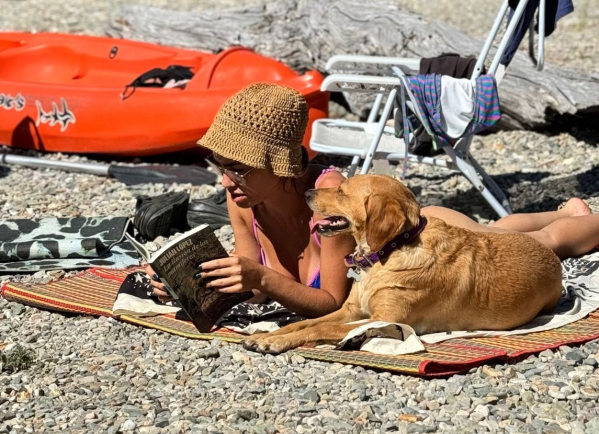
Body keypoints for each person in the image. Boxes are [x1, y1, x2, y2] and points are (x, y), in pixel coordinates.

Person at [148, 83, 599, 319]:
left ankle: (581, 217)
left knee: (538, 245)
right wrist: (193, 284)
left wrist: (261, 277)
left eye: (239, 168)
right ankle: (563, 212)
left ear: (280, 165)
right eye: (219, 166)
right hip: (413, 232)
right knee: (500, 231)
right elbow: (253, 285)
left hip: (423, 233)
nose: (225, 181)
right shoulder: (243, 201)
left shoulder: (333, 204)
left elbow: (332, 301)